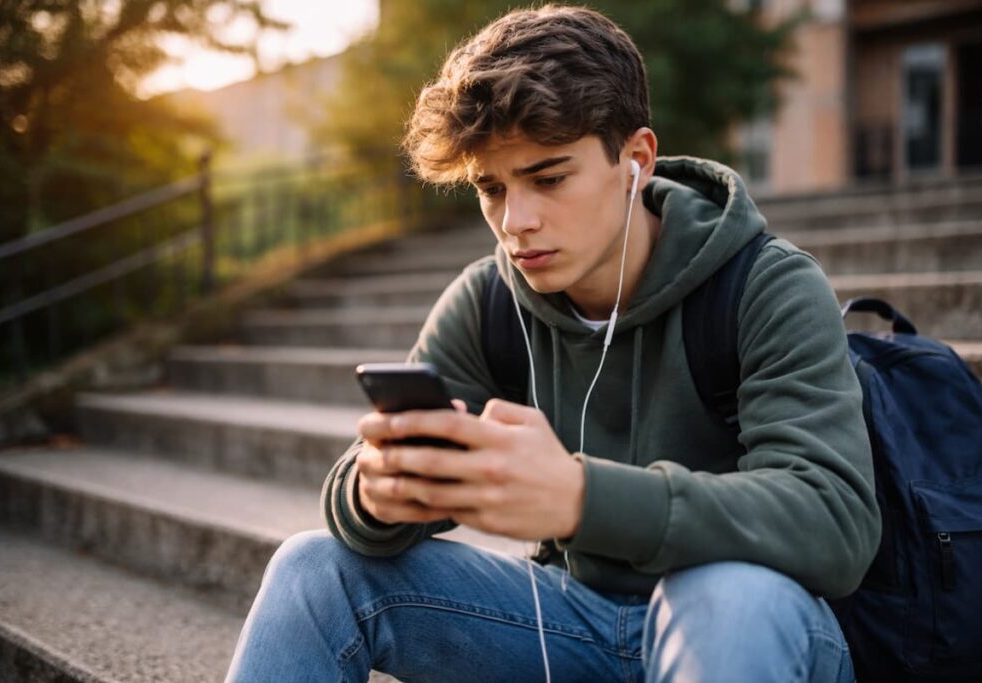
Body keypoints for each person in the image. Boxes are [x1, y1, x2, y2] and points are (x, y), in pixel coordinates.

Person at [225, 5, 881, 682]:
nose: (516, 221)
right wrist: (374, 493)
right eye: (491, 187)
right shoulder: (489, 300)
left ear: (636, 159)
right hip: (571, 623)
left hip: (750, 624)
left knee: (726, 596)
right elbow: (358, 489)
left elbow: (835, 519)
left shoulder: (765, 282)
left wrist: (581, 497)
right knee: (314, 569)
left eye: (548, 178)